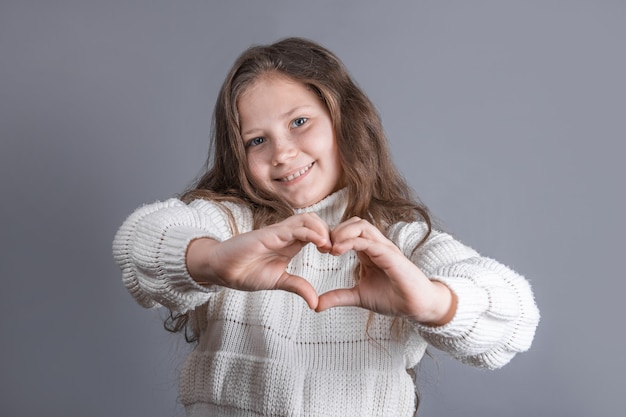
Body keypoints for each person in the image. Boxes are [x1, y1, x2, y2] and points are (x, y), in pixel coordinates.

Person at [113, 37, 540, 417]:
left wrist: (429, 302)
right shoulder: (226, 224)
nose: (282, 153)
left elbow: (515, 318)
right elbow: (139, 241)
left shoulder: (398, 243)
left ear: (344, 121)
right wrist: (213, 260)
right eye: (256, 140)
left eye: (299, 122)